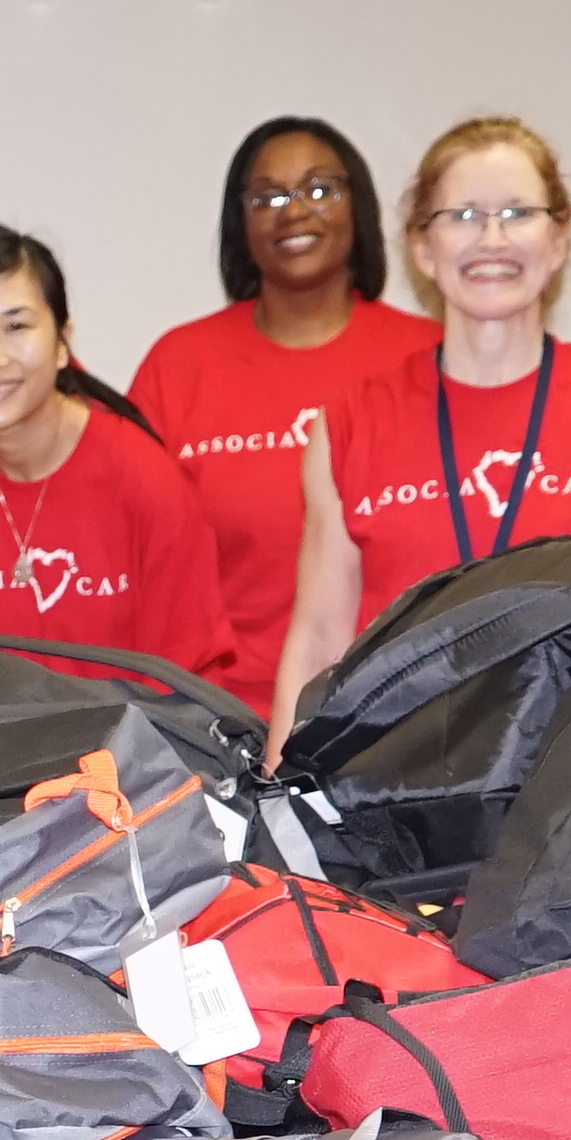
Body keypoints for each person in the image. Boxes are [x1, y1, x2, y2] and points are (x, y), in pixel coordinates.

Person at [272, 117, 571, 745]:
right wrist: (280, 808)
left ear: (558, 239)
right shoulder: (351, 423)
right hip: (390, 789)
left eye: (519, 212)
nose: (492, 239)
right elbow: (319, 639)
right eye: (462, 216)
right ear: (422, 248)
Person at [130, 116, 436, 710]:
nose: (294, 212)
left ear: (361, 207)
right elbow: (137, 559)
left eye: (321, 190)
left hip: (397, 713)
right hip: (215, 715)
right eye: (266, 196)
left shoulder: (426, 355)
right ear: (238, 222)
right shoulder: (180, 364)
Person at [0, 224, 230, 682]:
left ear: (63, 342)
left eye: (16, 326)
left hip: (137, 748)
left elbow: (184, 679)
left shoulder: (145, 480)